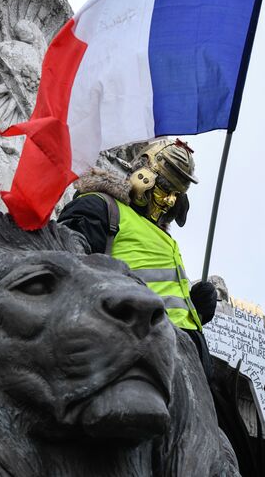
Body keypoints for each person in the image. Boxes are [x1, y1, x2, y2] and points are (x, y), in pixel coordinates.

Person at [58, 138, 217, 378]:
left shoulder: (166, 239)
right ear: (144, 176)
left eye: (176, 194)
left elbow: (165, 293)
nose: (170, 201)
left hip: (190, 359)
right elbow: (66, 271)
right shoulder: (101, 206)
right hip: (137, 348)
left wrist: (196, 309)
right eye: (165, 187)